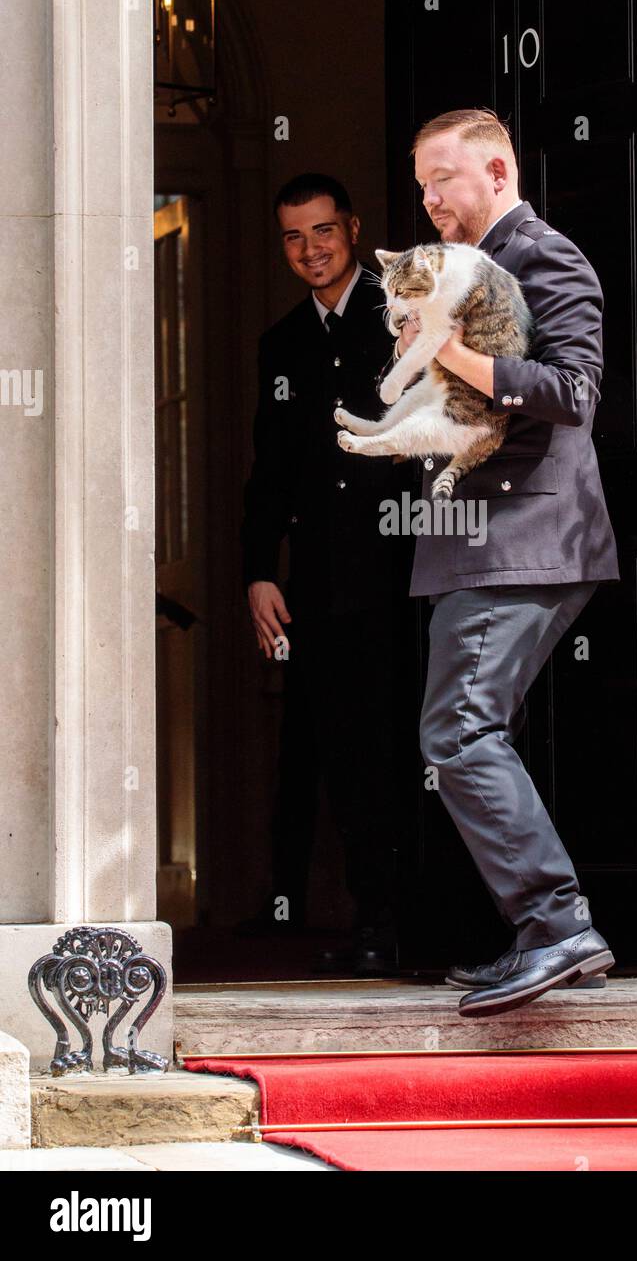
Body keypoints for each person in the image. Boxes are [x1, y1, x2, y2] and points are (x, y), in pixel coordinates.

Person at [398, 109, 620, 1017]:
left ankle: (559, 925)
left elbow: (572, 390)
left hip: (523, 543)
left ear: (494, 169)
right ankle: (539, 932)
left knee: (456, 734)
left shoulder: (544, 255)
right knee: (474, 732)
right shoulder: (463, 268)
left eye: (441, 179)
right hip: (483, 544)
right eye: (421, 184)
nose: (429, 199)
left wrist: (444, 348)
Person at [240, 173, 412, 974]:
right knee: (347, 755)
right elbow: (267, 471)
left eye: (322, 232)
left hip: (410, 571)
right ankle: (376, 922)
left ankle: (441, 923)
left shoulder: (405, 312)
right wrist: (257, 572)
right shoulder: (282, 343)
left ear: (351, 226)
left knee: (420, 747)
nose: (310, 250)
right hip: (319, 582)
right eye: (292, 238)